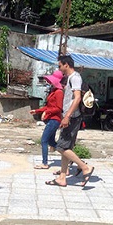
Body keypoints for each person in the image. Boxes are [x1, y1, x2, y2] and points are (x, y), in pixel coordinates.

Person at [45, 55, 95, 187]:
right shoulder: (70, 79)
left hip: (72, 117)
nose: (59, 68)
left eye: (60, 65)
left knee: (61, 147)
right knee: (66, 146)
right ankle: (62, 177)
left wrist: (67, 116)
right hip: (70, 116)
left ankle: (84, 167)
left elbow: (77, 98)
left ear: (66, 65)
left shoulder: (75, 78)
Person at [30, 70, 64, 169]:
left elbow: (59, 108)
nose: (49, 82)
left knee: (44, 140)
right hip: (51, 119)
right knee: (51, 142)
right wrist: (37, 111)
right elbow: (48, 106)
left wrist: (47, 112)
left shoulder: (59, 92)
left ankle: (44, 163)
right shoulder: (53, 91)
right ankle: (68, 157)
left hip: (54, 120)